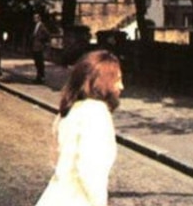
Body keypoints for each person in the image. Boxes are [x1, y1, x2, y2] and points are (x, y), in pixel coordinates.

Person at [35, 50, 124, 206]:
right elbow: (90, 171)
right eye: (117, 79)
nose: (121, 86)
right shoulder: (96, 113)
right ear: (102, 82)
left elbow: (56, 159)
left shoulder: (69, 111)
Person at [31, 13, 51, 83]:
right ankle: (38, 77)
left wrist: (42, 42)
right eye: (34, 18)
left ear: (39, 18)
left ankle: (42, 77)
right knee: (37, 63)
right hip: (35, 47)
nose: (34, 19)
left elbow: (47, 35)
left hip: (39, 47)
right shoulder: (36, 26)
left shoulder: (42, 26)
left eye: (35, 18)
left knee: (40, 63)